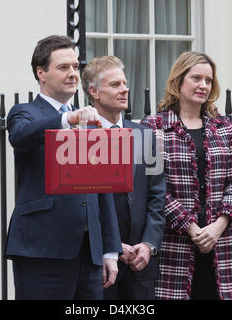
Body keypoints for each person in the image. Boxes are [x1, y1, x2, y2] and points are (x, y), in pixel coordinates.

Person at [5, 35, 122, 300]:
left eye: (75, 66)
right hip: (42, 250)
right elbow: (20, 136)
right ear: (41, 73)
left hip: (89, 253)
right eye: (63, 67)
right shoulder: (24, 112)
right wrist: (67, 119)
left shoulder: (91, 118)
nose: (73, 74)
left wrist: (110, 250)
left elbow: (102, 187)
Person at [141, 51, 232, 300]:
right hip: (174, 246)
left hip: (219, 245)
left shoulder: (224, 127)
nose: (203, 85)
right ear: (179, 80)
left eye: (208, 80)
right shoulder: (152, 127)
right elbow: (152, 187)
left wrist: (218, 226)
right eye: (196, 78)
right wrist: (191, 227)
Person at [81, 56, 166, 300]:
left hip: (142, 263)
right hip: (100, 265)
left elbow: (158, 195)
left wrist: (149, 245)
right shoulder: (80, 138)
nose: (125, 89)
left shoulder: (146, 135)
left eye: (125, 83)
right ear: (94, 92)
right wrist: (114, 246)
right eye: (115, 84)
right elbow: (84, 204)